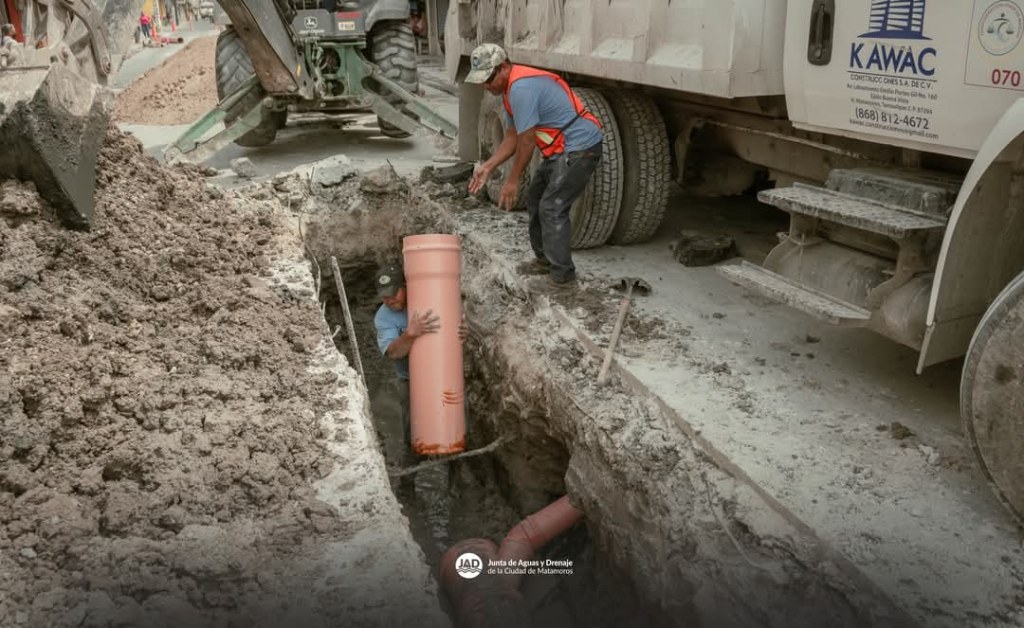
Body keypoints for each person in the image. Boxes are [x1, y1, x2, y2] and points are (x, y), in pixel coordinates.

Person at [466, 43, 603, 293]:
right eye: (482, 81)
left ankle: (563, 279)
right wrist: (488, 166)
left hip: (580, 146)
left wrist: (512, 179)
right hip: (562, 149)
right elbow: (512, 138)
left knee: (552, 206)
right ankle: (544, 261)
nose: (487, 86)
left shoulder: (521, 88)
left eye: (489, 78)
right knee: (536, 198)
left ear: (504, 67)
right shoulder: (509, 92)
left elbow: (527, 142)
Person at [373, 263, 466, 485]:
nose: (389, 300)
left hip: (445, 378)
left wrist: (462, 331)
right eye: (384, 297)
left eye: (393, 294)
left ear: (404, 286)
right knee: (412, 434)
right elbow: (393, 353)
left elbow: (454, 325)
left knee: (455, 428)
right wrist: (409, 334)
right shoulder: (383, 317)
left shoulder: (431, 296)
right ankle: (408, 486)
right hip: (411, 382)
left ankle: (458, 483)